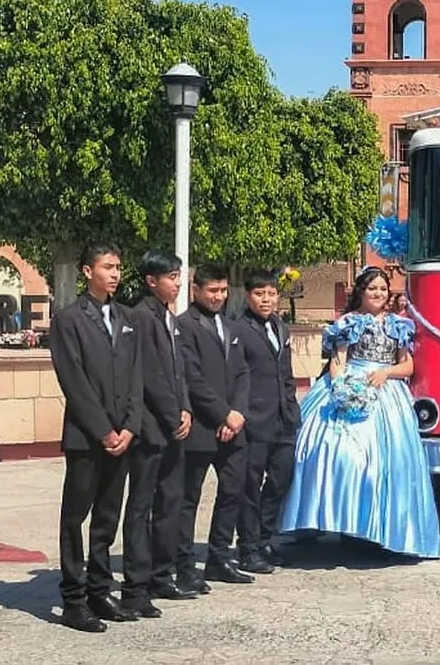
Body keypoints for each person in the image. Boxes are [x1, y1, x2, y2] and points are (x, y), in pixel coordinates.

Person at [279, 266, 440, 560]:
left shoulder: (398, 324)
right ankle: (343, 522)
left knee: (388, 463)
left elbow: (408, 366)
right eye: (372, 289)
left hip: (386, 393)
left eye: (382, 288)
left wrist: (387, 373)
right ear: (361, 293)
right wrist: (341, 389)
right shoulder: (348, 323)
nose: (378, 293)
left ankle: (381, 529)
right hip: (350, 384)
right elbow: (338, 361)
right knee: (336, 454)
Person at [48, 243, 142, 633]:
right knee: (76, 517)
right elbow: (75, 382)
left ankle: (100, 591)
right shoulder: (69, 319)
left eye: (119, 267)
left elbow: (137, 376)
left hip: (123, 436)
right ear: (88, 271)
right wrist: (103, 430)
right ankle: (73, 598)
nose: (116, 274)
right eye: (108, 267)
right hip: (88, 438)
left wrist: (130, 427)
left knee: (107, 517)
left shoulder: (126, 317)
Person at [119, 250, 198, 616]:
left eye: (179, 276)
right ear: (152, 281)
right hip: (151, 428)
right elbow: (150, 374)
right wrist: (171, 414)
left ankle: (163, 575)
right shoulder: (141, 316)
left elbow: (177, 371)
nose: (178, 283)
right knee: (142, 507)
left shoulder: (170, 317)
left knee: (171, 502)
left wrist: (185, 409)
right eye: (171, 276)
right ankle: (137, 583)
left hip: (174, 427)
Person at [176, 264, 254, 587]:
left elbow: (242, 374)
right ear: (196, 290)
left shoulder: (231, 327)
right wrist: (223, 414)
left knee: (233, 490)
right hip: (201, 428)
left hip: (233, 428)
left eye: (223, 291)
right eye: (213, 291)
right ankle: (182, 563)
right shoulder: (183, 326)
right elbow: (192, 379)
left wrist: (237, 414)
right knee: (188, 498)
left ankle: (219, 557)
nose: (219, 296)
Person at [233, 270, 301, 573]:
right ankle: (247, 548)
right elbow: (235, 376)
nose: (267, 299)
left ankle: (264, 538)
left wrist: (292, 408)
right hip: (253, 420)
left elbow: (285, 373)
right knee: (249, 486)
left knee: (279, 481)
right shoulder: (238, 329)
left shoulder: (280, 326)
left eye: (271, 293)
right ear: (248, 296)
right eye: (260, 294)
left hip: (283, 419)